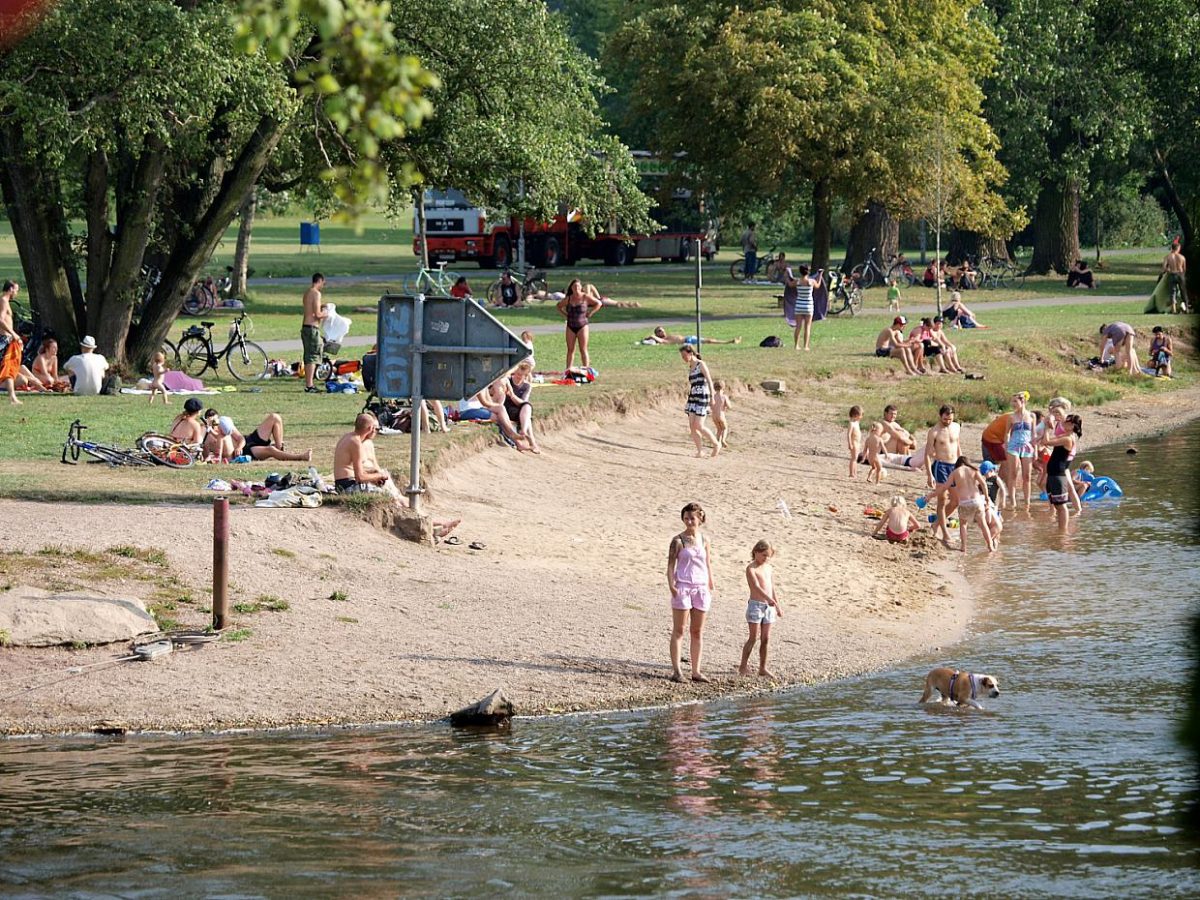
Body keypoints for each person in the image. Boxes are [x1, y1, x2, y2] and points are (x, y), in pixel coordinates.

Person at [667, 501, 715, 683]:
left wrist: (710, 581)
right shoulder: (678, 541)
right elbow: (671, 565)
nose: (689, 522)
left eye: (692, 518)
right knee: (679, 629)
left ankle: (696, 670)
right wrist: (671, 585)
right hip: (683, 586)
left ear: (700, 518)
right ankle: (677, 670)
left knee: (697, 631)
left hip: (701, 587)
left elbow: (708, 562)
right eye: (686, 518)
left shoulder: (705, 540)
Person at [739, 539, 782, 677]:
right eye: (764, 555)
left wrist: (777, 604)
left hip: (769, 607)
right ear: (756, 552)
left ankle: (763, 668)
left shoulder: (768, 568)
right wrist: (768, 599)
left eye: (768, 555)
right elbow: (756, 586)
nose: (766, 558)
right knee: (753, 637)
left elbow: (772, 587)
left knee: (766, 638)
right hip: (756, 605)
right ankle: (743, 667)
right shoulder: (751, 568)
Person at [202, 409, 313, 462]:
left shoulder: (224, 425)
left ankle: (280, 449)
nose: (216, 424)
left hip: (248, 440)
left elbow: (240, 438)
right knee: (271, 450)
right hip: (248, 451)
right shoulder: (209, 434)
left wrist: (239, 447)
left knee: (275, 417)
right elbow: (209, 454)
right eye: (213, 422)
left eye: (217, 421)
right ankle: (300, 457)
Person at [333, 412, 398, 495]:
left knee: (392, 494)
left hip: (342, 485)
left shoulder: (348, 437)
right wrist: (380, 475)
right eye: (375, 428)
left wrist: (375, 477)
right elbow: (360, 477)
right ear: (370, 428)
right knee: (388, 495)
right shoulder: (356, 442)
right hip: (348, 487)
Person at [924, 405, 961, 544]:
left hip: (955, 465)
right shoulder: (934, 431)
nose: (947, 421)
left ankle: (936, 525)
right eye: (945, 419)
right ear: (940, 416)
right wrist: (929, 475)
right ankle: (945, 534)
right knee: (942, 499)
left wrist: (962, 465)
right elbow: (927, 455)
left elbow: (958, 446)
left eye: (950, 419)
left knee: (956, 501)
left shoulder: (956, 427)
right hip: (941, 466)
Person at [944, 457, 994, 552]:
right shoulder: (974, 470)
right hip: (977, 501)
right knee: (983, 524)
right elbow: (983, 484)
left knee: (963, 524)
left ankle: (963, 547)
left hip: (964, 502)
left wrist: (934, 494)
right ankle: (990, 546)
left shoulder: (955, 472)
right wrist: (987, 497)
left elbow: (946, 486)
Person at [1044, 414, 1082, 531]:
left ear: (1072, 426)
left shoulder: (1068, 439)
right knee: (1057, 504)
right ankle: (1061, 529)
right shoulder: (1064, 435)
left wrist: (1046, 426)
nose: (1063, 424)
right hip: (1053, 474)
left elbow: (1046, 441)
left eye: (1066, 422)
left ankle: (1063, 531)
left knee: (1061, 506)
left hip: (1058, 475)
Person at [680, 344, 720, 457]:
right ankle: (700, 451)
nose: (683, 358)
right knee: (692, 426)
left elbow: (709, 380)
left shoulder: (701, 364)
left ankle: (716, 444)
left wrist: (712, 397)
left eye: (684, 355)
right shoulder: (691, 366)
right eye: (682, 356)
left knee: (699, 425)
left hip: (702, 395)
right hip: (693, 396)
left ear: (690, 353)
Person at [1002, 391, 1037, 512]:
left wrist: (1035, 450)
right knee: (1013, 473)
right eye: (1012, 401)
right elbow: (1006, 433)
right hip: (1013, 446)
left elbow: (1033, 434)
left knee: (1027, 476)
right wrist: (1006, 446)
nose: (1013, 404)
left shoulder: (1032, 416)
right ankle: (1013, 501)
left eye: (1015, 401)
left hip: (1027, 446)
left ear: (1023, 402)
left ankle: (1027, 502)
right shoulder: (1011, 417)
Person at [557, 278, 601, 370]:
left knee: (583, 349)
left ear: (581, 287)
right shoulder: (569, 299)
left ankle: (586, 370)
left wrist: (591, 313)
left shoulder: (585, 297)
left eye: (578, 286)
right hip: (570, 326)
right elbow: (559, 306)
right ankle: (568, 370)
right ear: (571, 288)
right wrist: (565, 315)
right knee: (570, 349)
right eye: (574, 286)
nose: (576, 288)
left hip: (582, 326)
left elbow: (598, 303)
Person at [476, 380, 534, 451]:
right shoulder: (481, 386)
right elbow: (486, 403)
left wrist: (502, 399)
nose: (500, 388)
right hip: (474, 409)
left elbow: (489, 403)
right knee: (500, 416)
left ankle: (518, 442)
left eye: (502, 387)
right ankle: (515, 439)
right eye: (499, 386)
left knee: (501, 415)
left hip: (483, 409)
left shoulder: (497, 393)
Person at [503, 361, 540, 453]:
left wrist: (512, 396)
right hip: (507, 408)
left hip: (519, 409)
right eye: (517, 373)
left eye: (521, 375)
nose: (518, 376)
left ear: (526, 376)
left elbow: (523, 402)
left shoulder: (526, 386)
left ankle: (524, 431)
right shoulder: (508, 381)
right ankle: (532, 442)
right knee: (527, 417)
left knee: (527, 407)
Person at [301, 273, 328, 393]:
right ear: (320, 281)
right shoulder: (317, 293)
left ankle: (309, 383)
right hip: (312, 328)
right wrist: (326, 313)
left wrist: (321, 306)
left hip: (305, 327)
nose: (323, 285)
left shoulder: (307, 292)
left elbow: (310, 309)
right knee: (313, 356)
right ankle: (310, 385)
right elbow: (317, 314)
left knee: (307, 355)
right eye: (323, 283)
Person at [788, 264, 821, 351]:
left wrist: (787, 275)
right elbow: (818, 286)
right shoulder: (811, 281)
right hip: (809, 306)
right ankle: (806, 346)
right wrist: (820, 275)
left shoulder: (797, 281)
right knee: (807, 327)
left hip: (799, 306)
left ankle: (796, 345)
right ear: (808, 271)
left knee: (798, 326)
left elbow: (790, 284)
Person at [0, 279, 23, 405]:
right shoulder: (3, 301)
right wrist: (13, 334)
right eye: (16, 290)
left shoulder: (5, 301)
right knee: (8, 367)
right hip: (4, 339)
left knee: (9, 367)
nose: (17, 293)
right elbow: (1, 320)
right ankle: (12, 398)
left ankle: (12, 397)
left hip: (8, 339)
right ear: (10, 289)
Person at [1163, 239, 1189, 313]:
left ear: (1172, 248)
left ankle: (1173, 310)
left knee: (1172, 292)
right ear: (1178, 248)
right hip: (1180, 274)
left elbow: (1164, 268)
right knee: (1183, 291)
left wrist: (1169, 270)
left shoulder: (1168, 257)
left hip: (1172, 274)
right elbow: (1184, 269)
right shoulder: (1182, 257)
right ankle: (1187, 308)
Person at [644, 326, 741, 346]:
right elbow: (655, 338)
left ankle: (729, 341)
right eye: (660, 331)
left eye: (663, 329)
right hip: (688, 341)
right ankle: (729, 342)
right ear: (657, 334)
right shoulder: (664, 341)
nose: (663, 331)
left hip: (689, 338)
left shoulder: (667, 337)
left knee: (708, 340)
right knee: (708, 341)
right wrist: (650, 337)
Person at [711, 379, 732, 447]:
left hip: (714, 416)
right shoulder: (724, 397)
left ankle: (717, 442)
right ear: (723, 387)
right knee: (725, 428)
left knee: (719, 429)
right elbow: (729, 406)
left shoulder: (713, 396)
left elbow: (710, 405)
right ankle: (723, 440)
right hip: (721, 415)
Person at [847, 405, 863, 478]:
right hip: (854, 443)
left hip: (858, 443)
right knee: (853, 458)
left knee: (856, 459)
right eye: (860, 415)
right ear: (855, 415)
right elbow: (849, 434)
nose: (861, 417)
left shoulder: (857, 422)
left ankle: (855, 472)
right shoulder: (851, 423)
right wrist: (850, 444)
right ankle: (851, 473)